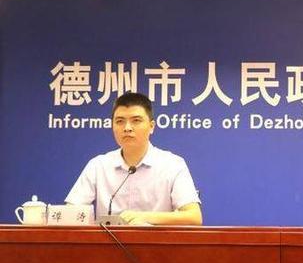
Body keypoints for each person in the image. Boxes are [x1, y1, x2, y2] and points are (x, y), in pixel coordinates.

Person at [65, 92, 202, 225]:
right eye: (120, 121)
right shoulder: (98, 165)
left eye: (136, 121)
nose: (127, 128)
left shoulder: (173, 164)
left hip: (156, 241)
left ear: (151, 127)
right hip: (107, 241)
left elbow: (193, 217)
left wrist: (144, 217)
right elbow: (71, 213)